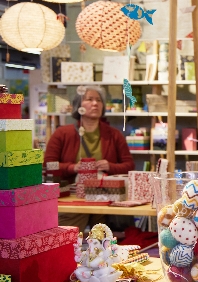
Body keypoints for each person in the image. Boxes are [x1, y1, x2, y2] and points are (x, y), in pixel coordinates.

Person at [44, 86, 135, 230]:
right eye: (89, 99)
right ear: (78, 105)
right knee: (67, 239)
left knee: (107, 243)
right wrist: (72, 167)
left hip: (105, 197)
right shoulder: (62, 133)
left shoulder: (114, 134)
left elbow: (129, 165)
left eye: (99, 100)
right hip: (73, 198)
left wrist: (110, 166)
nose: (95, 104)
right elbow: (48, 165)